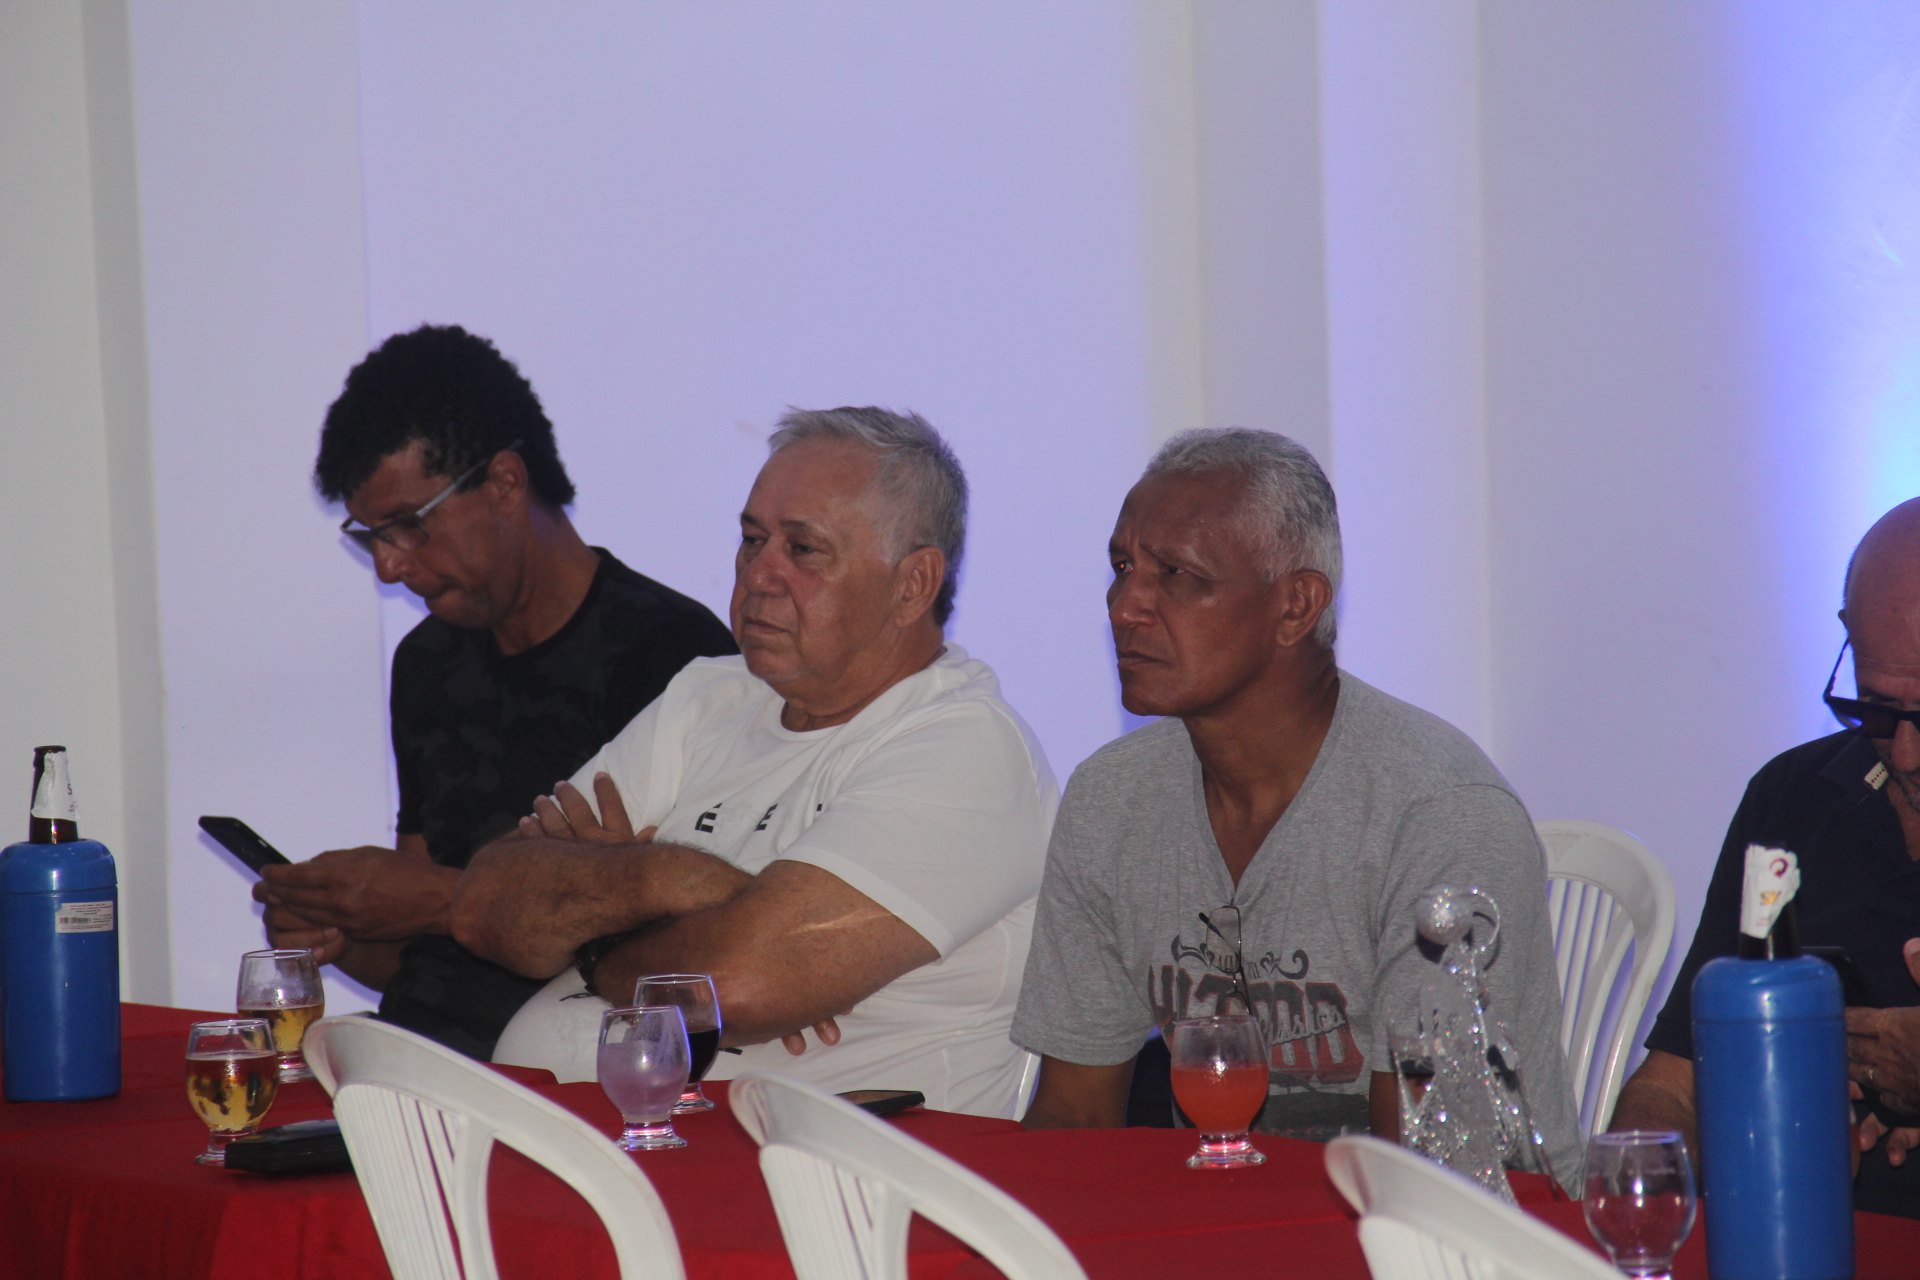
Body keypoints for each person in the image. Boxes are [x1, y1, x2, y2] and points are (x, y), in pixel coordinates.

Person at [1009, 428, 1582, 1187]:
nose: (1125, 607)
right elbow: (1072, 1121)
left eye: (1176, 574)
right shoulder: (1111, 799)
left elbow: (1423, 1170)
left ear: (1296, 605)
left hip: (1459, 1227)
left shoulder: (1440, 814)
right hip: (1229, 1216)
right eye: (1122, 568)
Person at [451, 407, 1056, 1117]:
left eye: (804, 549)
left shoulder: (966, 746)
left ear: (913, 584)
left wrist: (594, 932)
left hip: (822, 1168)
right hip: (603, 1145)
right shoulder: (709, 694)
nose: (759, 574)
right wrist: (670, 880)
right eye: (752, 539)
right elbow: (484, 905)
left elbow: (733, 987)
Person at [251, 325, 735, 1060]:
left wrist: (430, 897)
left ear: (505, 482)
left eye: (406, 526)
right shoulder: (428, 662)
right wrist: (343, 931)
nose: (387, 566)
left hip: (572, 1072)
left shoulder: (675, 658)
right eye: (370, 536)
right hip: (412, 1060)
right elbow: (424, 961)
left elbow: (691, 948)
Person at [1612, 498, 1920, 1217]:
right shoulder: (1796, 799)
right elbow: (1679, 1077)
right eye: (1876, 709)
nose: (1906, 753)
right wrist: (1636, 1179)